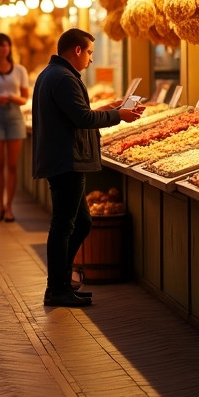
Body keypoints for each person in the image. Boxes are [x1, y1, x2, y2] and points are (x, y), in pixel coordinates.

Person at [32, 28, 142, 308]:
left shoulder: (52, 74)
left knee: (80, 223)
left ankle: (60, 282)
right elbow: (81, 118)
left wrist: (107, 106)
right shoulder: (64, 77)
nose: (91, 59)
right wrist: (119, 115)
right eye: (90, 52)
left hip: (63, 158)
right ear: (77, 50)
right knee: (64, 225)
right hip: (67, 160)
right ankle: (56, 287)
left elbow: (73, 112)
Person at [0, 33, 30, 223]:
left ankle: (9, 207)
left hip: (15, 115)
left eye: (6, 45)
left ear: (10, 48)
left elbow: (25, 97)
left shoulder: (19, 70)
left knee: (12, 165)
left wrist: (13, 98)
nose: (3, 48)